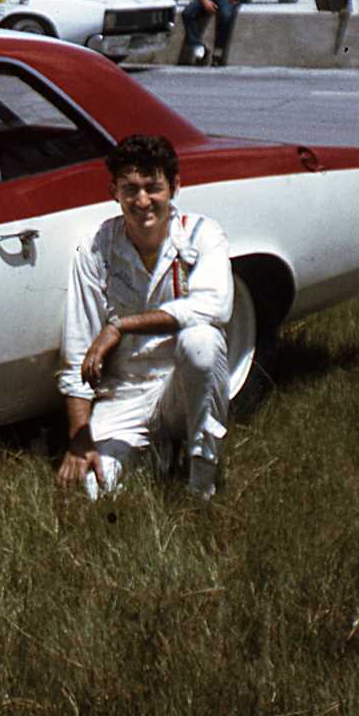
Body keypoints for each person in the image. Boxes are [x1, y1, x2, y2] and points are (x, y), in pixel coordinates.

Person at [55, 134, 232, 501]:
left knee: (201, 341)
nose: (142, 201)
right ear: (113, 192)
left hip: (179, 386)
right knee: (94, 490)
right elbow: (77, 347)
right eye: (130, 189)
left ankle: (202, 485)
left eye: (153, 188)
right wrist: (80, 438)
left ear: (175, 186)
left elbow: (214, 307)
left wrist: (121, 325)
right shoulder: (96, 246)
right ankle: (158, 454)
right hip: (125, 392)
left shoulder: (203, 234)